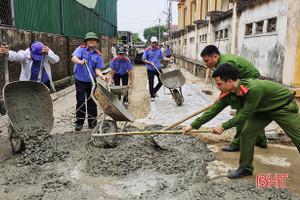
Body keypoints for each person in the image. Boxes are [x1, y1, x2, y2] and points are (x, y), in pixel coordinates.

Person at [182, 64, 300, 179]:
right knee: (246, 134)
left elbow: (243, 115)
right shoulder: (227, 94)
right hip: (261, 110)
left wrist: (223, 126)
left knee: (298, 136)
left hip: (283, 107)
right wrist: (192, 126)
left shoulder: (253, 89)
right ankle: (245, 168)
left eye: (219, 84)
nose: (217, 87)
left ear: (230, 82)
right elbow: (213, 111)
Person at [200, 45, 267, 152]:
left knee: (242, 113)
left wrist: (222, 97)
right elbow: (228, 84)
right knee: (254, 113)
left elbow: (229, 83)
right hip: (251, 83)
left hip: (252, 85)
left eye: (207, 61)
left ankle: (237, 144)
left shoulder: (225, 64)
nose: (206, 64)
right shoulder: (222, 61)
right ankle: (260, 140)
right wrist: (221, 96)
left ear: (215, 56)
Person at [71, 32, 109, 131]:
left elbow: (97, 69)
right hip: (80, 80)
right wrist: (80, 61)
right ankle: (79, 122)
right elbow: (73, 58)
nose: (91, 41)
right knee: (81, 102)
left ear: (96, 42)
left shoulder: (98, 54)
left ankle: (92, 122)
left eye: (93, 39)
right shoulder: (81, 49)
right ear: (86, 41)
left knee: (92, 102)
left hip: (92, 82)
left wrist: (102, 76)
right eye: (89, 39)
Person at [142, 36, 174, 101]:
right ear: (151, 42)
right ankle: (152, 95)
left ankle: (154, 91)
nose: (154, 44)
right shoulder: (147, 50)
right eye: (153, 42)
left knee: (162, 80)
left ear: (156, 43)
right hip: (150, 68)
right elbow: (143, 59)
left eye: (155, 43)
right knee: (151, 82)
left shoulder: (158, 50)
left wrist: (169, 59)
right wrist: (150, 63)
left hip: (158, 68)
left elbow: (163, 57)